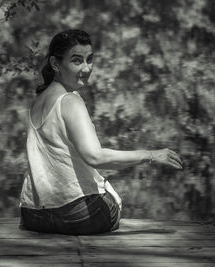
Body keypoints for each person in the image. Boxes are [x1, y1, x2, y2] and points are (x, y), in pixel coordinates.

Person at [19, 29, 183, 235]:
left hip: (34, 215)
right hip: (75, 215)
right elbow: (95, 157)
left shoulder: (37, 102)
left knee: (103, 191)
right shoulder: (70, 101)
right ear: (55, 64)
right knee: (110, 203)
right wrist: (151, 155)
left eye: (89, 60)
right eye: (77, 61)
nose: (86, 68)